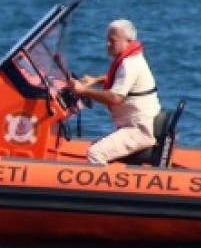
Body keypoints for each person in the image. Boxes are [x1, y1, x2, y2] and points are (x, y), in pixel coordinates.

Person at [69, 19, 161, 165]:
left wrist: (84, 90)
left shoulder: (129, 64)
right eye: (107, 40)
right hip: (138, 124)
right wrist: (95, 80)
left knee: (95, 153)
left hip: (139, 129)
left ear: (128, 41)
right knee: (96, 146)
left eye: (112, 41)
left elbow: (115, 98)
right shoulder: (132, 58)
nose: (107, 44)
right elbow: (119, 79)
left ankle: (97, 187)